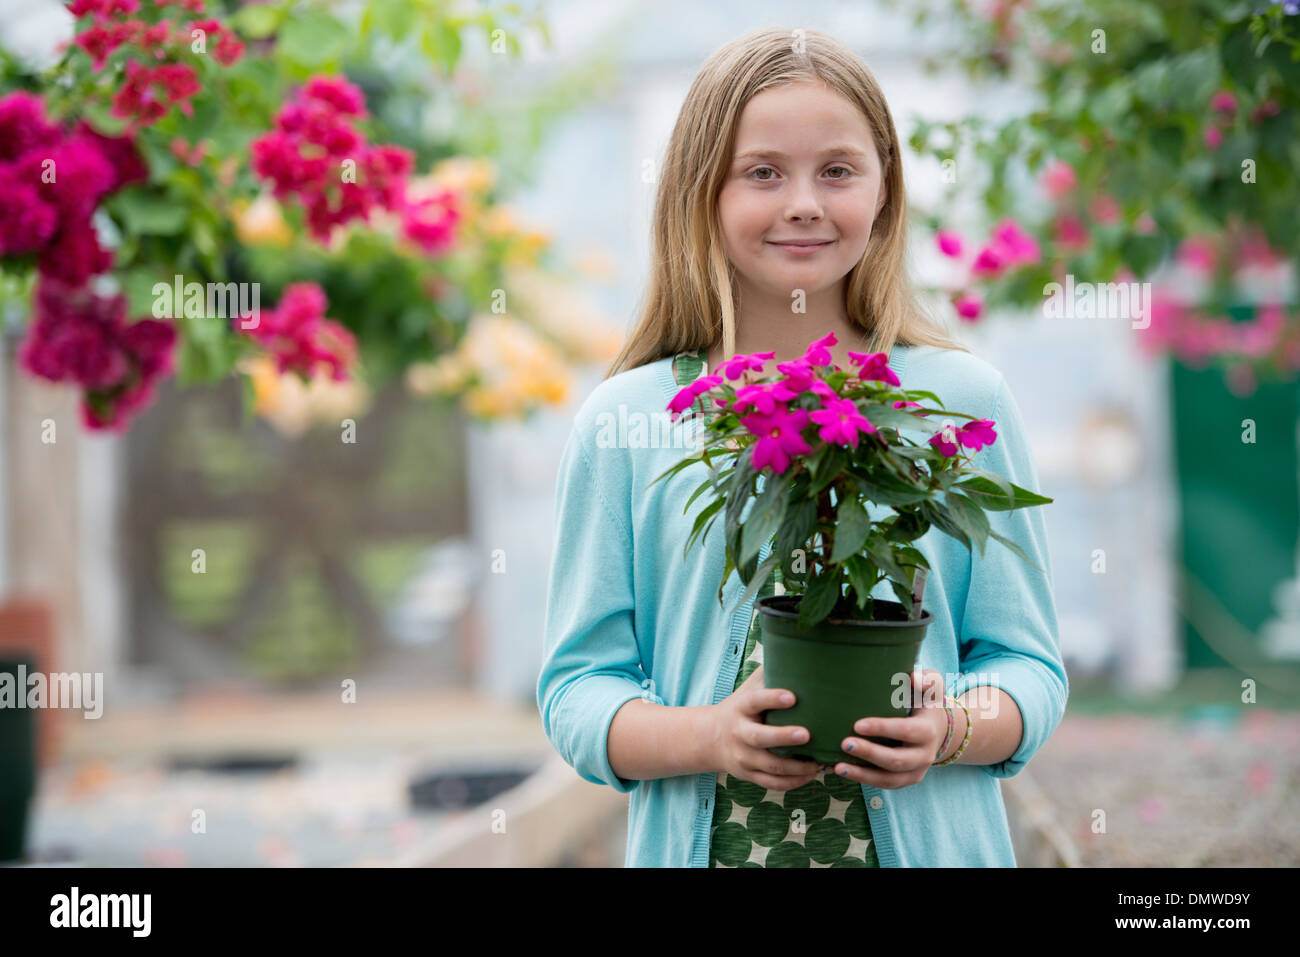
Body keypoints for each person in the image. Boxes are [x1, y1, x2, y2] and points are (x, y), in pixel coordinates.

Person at [537, 26, 1067, 867]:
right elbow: (576, 690)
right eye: (762, 172)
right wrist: (708, 736)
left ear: (885, 193)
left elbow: (1029, 665)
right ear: (698, 193)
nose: (804, 203)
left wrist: (950, 727)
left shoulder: (960, 401)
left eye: (838, 170)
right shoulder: (627, 421)